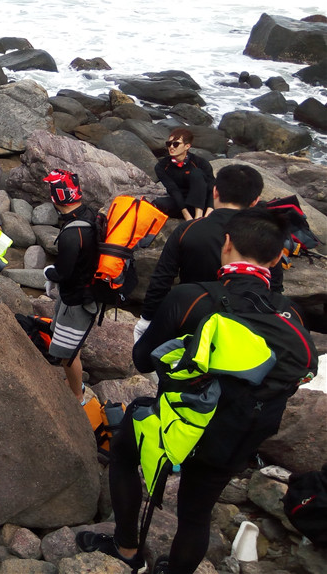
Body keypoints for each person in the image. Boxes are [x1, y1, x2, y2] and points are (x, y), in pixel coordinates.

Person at [78, 208, 316, 574]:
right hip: (240, 433)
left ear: (226, 245)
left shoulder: (191, 297)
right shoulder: (290, 314)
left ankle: (127, 549)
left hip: (185, 422)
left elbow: (142, 359)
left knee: (124, 449)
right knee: (196, 513)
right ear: (275, 259)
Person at [135, 164, 282, 339]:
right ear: (255, 201)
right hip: (245, 327)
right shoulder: (266, 236)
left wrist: (147, 319)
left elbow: (162, 278)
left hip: (191, 319)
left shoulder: (188, 229)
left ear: (215, 192)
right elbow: (274, 287)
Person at [40, 170, 99, 403]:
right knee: (74, 346)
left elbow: (63, 272)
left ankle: (77, 394)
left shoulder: (72, 233)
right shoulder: (90, 215)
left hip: (76, 301)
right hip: (87, 291)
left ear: (56, 197)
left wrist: (48, 273)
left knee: (68, 354)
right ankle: (75, 383)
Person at [153, 127, 215, 221]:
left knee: (196, 173)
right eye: (169, 144)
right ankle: (191, 216)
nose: (171, 147)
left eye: (176, 144)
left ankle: (198, 216)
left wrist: (208, 214)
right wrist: (187, 216)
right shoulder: (162, 166)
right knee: (158, 203)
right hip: (182, 203)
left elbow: (212, 188)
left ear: (187, 146)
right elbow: (173, 190)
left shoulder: (200, 163)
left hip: (202, 202)